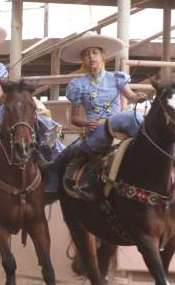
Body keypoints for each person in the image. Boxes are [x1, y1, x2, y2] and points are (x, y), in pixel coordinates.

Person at [44, 32, 147, 194]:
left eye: (94, 52)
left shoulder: (116, 78)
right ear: (82, 60)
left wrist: (137, 97)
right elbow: (74, 118)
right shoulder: (78, 84)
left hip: (120, 125)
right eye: (86, 54)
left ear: (103, 55)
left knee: (131, 117)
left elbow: (131, 97)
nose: (91, 57)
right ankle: (51, 187)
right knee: (66, 154)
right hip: (94, 133)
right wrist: (86, 123)